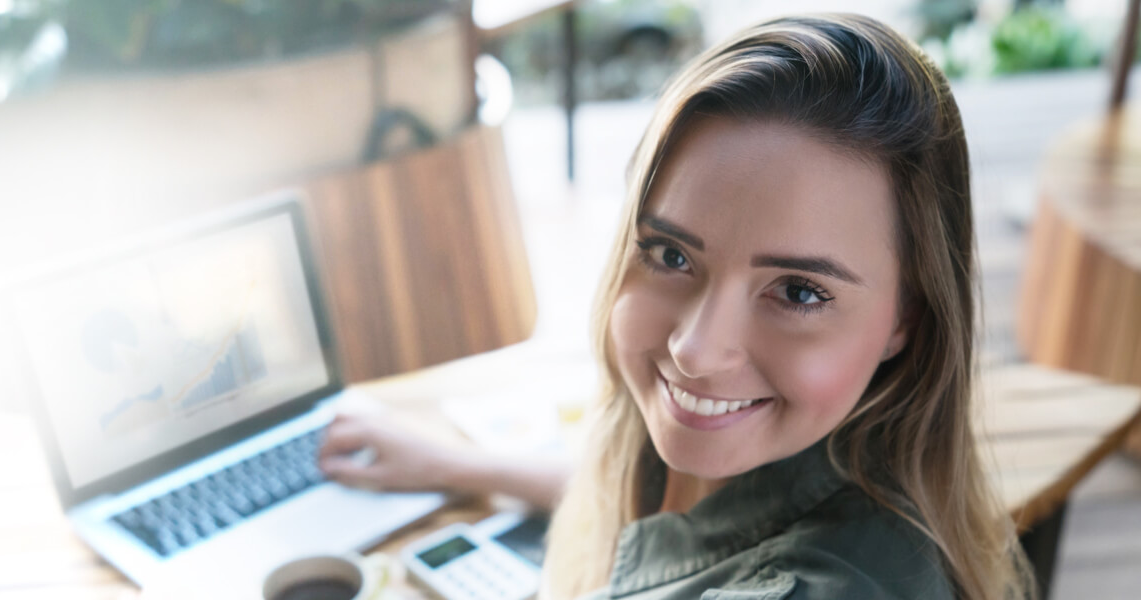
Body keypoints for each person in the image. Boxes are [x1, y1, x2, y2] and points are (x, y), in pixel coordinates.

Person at [317, 13, 1032, 600]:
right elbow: (686, 514)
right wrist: (459, 464)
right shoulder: (789, 457)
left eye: (800, 292)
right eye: (672, 255)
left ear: (908, 318)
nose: (695, 349)